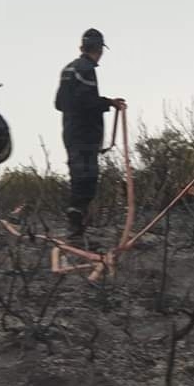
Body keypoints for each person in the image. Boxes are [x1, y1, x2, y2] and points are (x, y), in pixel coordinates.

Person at [54, 28, 126, 238]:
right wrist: (108, 103)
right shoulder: (85, 69)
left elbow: (60, 103)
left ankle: (76, 227)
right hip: (84, 134)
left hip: (71, 132)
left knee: (79, 177)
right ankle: (76, 230)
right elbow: (85, 102)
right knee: (87, 179)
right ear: (100, 49)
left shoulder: (69, 69)